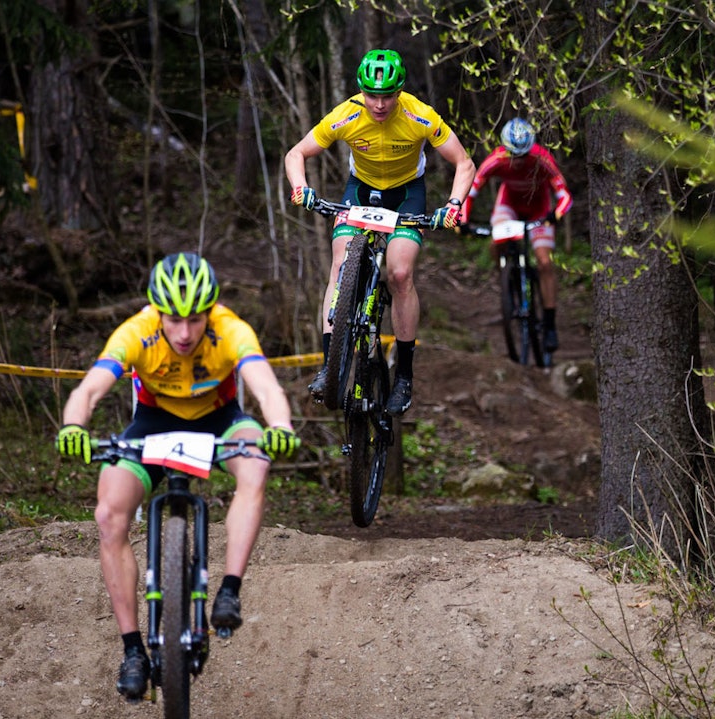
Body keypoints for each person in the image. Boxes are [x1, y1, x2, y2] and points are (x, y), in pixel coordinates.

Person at [54, 252, 299, 701]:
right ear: (157, 312)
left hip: (219, 418)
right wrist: (73, 425)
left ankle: (229, 590)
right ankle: (133, 651)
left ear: (210, 311)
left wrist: (280, 427)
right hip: (153, 422)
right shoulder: (137, 332)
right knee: (109, 515)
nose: (184, 333)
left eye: (195, 319)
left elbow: (267, 387)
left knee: (257, 463)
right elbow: (89, 388)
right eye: (173, 319)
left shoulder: (231, 330)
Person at [285, 48, 476, 415]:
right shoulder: (347, 115)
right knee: (339, 265)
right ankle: (329, 367)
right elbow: (296, 154)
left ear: (399, 91)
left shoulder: (420, 115)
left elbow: (464, 163)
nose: (379, 104)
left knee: (400, 274)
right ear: (361, 91)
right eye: (372, 95)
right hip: (360, 190)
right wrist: (300, 188)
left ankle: (404, 376)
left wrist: (453, 205)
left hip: (406, 194)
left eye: (387, 95)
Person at [458, 117, 573, 353]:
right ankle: (507, 276)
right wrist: (463, 220)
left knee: (543, 262)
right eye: (513, 155)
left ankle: (550, 325)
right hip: (508, 204)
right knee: (496, 241)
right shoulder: (496, 159)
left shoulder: (541, 158)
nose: (518, 161)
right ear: (505, 149)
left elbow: (565, 196)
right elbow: (472, 191)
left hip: (539, 208)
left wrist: (556, 215)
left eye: (522, 155)